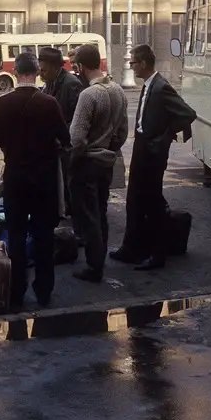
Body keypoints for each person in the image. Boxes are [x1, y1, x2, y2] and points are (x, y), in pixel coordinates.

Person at [0, 52, 70, 308]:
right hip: (44, 180)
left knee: (15, 235)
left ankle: (16, 291)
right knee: (43, 235)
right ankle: (44, 291)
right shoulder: (49, 103)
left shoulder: (2, 104)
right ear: (36, 72)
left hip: (15, 177)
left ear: (15, 72)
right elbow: (65, 138)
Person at [110, 44, 196, 271]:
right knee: (134, 201)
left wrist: (164, 137)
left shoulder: (161, 87)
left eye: (133, 63)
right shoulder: (149, 86)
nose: (131, 66)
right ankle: (130, 249)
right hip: (141, 150)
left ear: (144, 63)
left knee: (153, 204)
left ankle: (157, 256)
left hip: (153, 154)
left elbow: (187, 114)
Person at [67, 44, 128, 282]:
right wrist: (111, 150)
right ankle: (99, 259)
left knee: (88, 216)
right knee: (101, 212)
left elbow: (77, 138)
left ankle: (94, 267)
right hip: (107, 162)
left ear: (81, 67)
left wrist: (74, 161)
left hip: (87, 163)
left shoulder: (88, 95)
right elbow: (123, 131)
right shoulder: (118, 90)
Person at [39, 46, 87, 235]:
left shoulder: (71, 84)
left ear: (53, 67)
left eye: (43, 70)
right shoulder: (51, 82)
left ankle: (80, 233)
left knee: (73, 189)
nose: (40, 73)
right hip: (56, 145)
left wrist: (62, 137)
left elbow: (78, 119)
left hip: (68, 146)